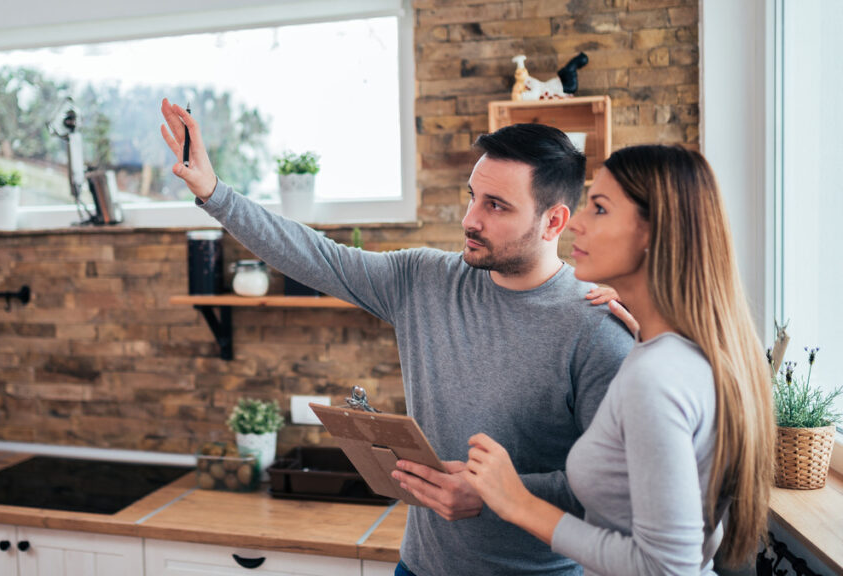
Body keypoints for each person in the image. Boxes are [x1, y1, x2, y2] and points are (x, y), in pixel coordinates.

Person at [160, 98, 634, 576]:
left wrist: (495, 494)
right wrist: (213, 192)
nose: (471, 219)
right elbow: (314, 255)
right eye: (472, 196)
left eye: (496, 206)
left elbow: (614, 488)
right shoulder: (424, 279)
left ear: (554, 221)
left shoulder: (597, 327)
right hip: (418, 567)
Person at [464, 145, 775, 575]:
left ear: (653, 232)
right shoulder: (684, 354)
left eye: (600, 208)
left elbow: (666, 567)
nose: (577, 222)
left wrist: (517, 502)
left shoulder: (657, 376)